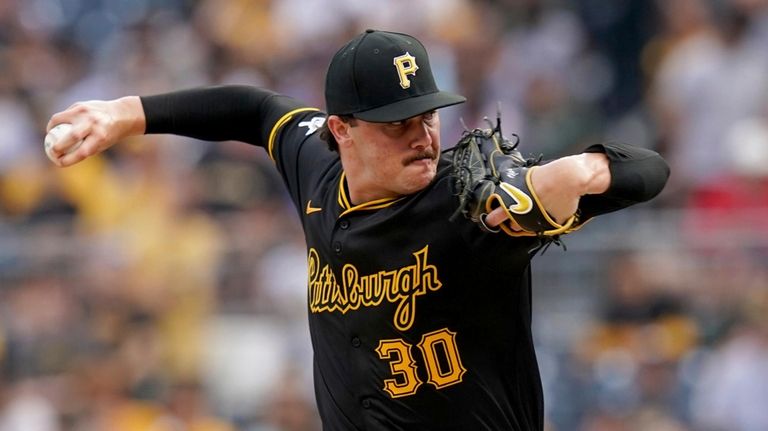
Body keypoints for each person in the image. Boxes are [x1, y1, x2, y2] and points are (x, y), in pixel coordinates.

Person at [46, 29, 669, 431]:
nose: (423, 137)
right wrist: (125, 113)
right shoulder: (315, 162)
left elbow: (651, 172)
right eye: (397, 123)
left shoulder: (477, 205)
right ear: (339, 129)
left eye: (427, 117)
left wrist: (582, 172)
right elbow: (253, 109)